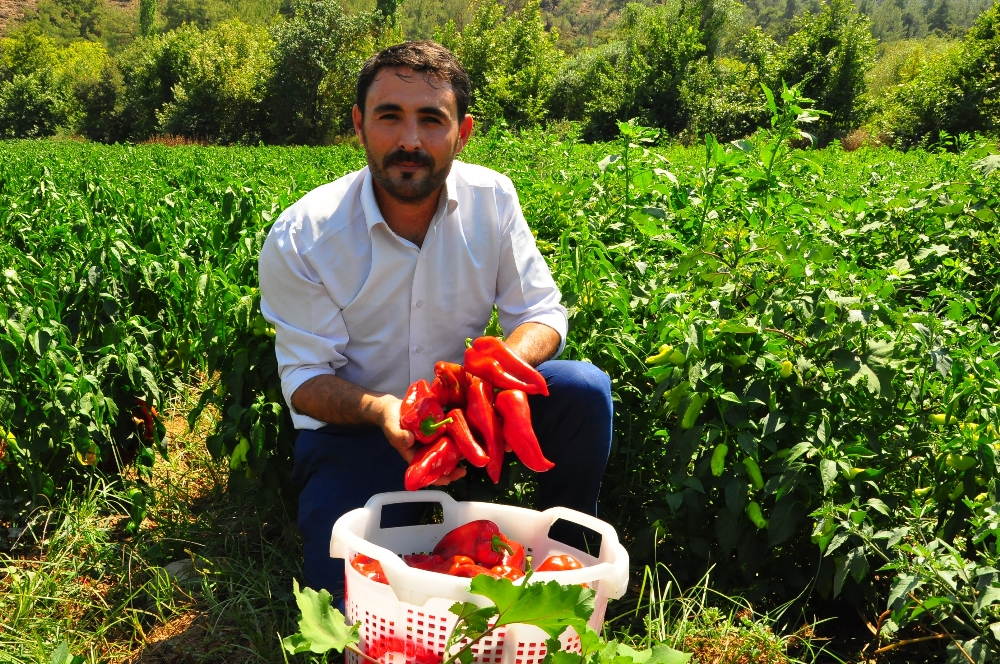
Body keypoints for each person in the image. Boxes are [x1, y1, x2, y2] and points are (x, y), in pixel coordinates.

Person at [258, 40, 612, 595]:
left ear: (462, 132)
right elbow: (304, 379)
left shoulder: (492, 199)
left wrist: (490, 374)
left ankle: (564, 555)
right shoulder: (305, 235)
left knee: (582, 390)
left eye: (431, 119)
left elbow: (541, 313)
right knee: (345, 602)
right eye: (389, 117)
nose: (410, 141)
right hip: (359, 433)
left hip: (468, 417)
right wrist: (382, 410)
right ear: (359, 124)